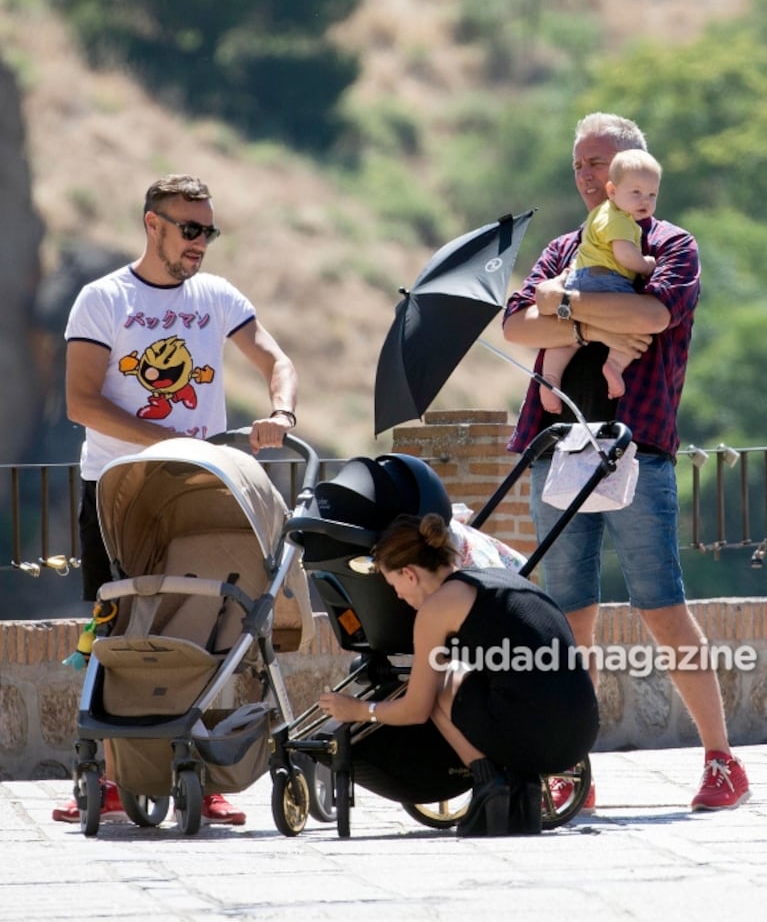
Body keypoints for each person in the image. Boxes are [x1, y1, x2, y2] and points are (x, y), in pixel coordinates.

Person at [502, 112, 750, 813]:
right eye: (578, 164)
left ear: (631, 167)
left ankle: (721, 759)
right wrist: (592, 315)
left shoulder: (670, 243)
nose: (588, 176)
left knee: (662, 607)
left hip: (636, 444)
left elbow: (655, 317)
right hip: (558, 447)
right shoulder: (563, 246)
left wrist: (571, 312)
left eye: (599, 162)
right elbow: (518, 325)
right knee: (568, 615)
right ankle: (570, 769)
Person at [53, 173, 298, 827]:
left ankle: (201, 771)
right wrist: (167, 439)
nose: (200, 243)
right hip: (118, 491)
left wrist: (281, 407)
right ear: (152, 223)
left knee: (210, 626)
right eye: (190, 229)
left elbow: (275, 358)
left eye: (208, 231)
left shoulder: (217, 296)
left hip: (200, 491)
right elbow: (82, 401)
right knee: (116, 628)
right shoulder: (103, 299)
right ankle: (105, 777)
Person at [318, 512, 599, 837]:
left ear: (409, 574)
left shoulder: (437, 608)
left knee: (438, 680)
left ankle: (491, 782)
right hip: (580, 737)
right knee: (476, 678)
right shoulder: (498, 577)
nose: (397, 596)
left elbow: (416, 709)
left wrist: (359, 711)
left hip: (533, 735)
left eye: (393, 584)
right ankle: (523, 787)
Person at [538, 148, 660, 414]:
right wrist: (646, 264)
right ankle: (614, 365)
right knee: (635, 328)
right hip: (610, 283)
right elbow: (624, 255)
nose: (645, 201)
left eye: (652, 194)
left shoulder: (599, 214)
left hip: (579, 280)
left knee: (565, 338)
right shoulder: (622, 221)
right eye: (636, 193)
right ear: (613, 191)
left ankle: (550, 378)